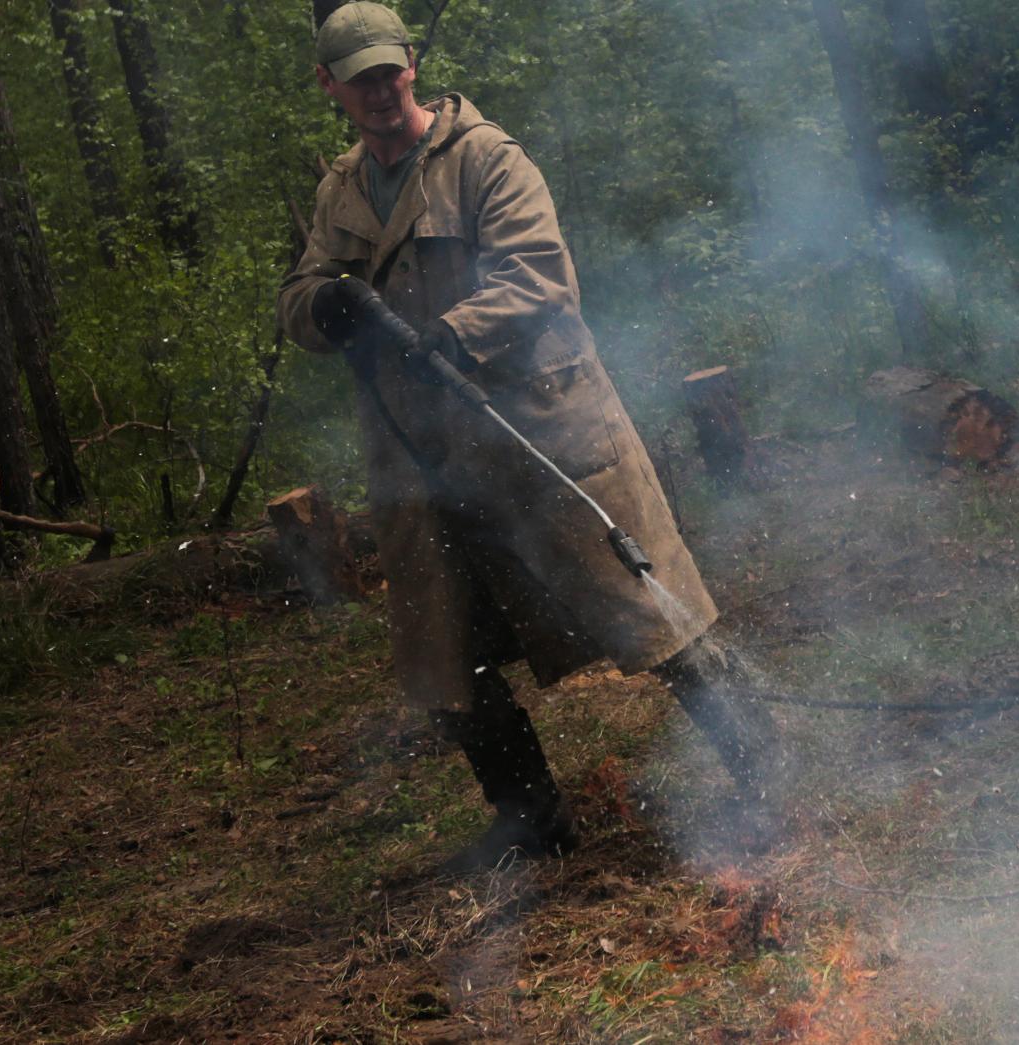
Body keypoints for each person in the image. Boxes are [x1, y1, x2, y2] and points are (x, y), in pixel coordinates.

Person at [277, 2, 784, 870]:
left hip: (540, 433)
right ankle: (529, 819)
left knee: (657, 618)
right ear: (329, 86)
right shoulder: (341, 192)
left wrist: (451, 333)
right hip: (420, 460)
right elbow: (301, 298)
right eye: (356, 77)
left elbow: (539, 275)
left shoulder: (483, 159)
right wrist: (323, 304)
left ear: (411, 62)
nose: (378, 89)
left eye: (388, 69)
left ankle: (769, 777)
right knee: (447, 653)